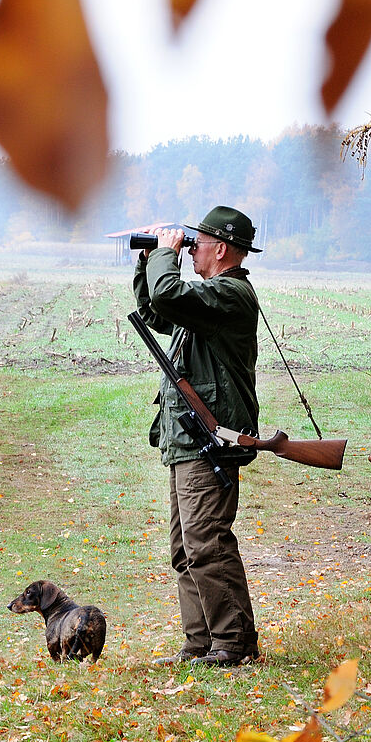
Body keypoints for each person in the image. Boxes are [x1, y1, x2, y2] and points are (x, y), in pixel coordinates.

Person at [133, 205, 263, 667]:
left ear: (221, 248)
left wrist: (164, 258)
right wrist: (150, 258)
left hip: (212, 438)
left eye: (197, 243)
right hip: (188, 439)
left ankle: (232, 643)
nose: (191, 250)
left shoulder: (230, 296)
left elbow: (170, 297)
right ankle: (201, 643)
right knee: (185, 549)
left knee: (207, 541)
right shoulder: (208, 298)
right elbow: (158, 310)